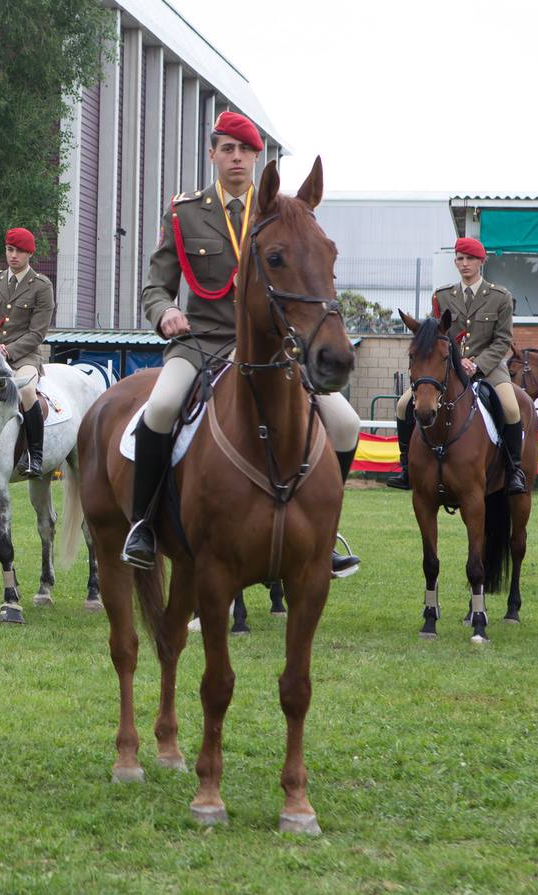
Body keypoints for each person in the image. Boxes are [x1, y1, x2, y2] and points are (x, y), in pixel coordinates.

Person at [122, 111, 362, 577]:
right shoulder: (186, 212)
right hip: (201, 342)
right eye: (227, 149)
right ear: (212, 154)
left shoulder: (279, 211)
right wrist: (164, 312)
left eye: (245, 151)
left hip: (271, 351)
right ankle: (145, 525)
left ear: (257, 158)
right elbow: (156, 286)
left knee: (347, 423)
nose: (236, 158)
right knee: (162, 407)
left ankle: (325, 528)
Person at [388, 237, 526, 495]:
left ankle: (513, 469)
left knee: (510, 407)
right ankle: (406, 468)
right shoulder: (442, 296)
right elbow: (437, 335)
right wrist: (455, 360)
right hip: (448, 366)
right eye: (460, 259)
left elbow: (503, 340)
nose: (464, 264)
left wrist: (478, 364)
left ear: (481, 262)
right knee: (402, 404)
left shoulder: (500, 297)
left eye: (470, 259)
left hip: (490, 366)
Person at [0, 227, 54, 477]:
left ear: (30, 254)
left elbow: (37, 334)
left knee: (27, 390)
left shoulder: (41, 286)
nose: (13, 255)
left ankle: (34, 455)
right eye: (9, 249)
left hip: (24, 357)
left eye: (19, 251)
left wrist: (7, 351)